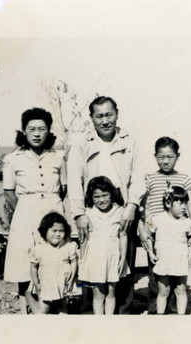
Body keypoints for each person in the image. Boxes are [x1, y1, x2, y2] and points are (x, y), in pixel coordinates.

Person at [67, 96, 145, 313]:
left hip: (122, 206)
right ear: (91, 118)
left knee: (122, 261)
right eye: (99, 116)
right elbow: (74, 179)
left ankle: (121, 314)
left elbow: (138, 177)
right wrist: (78, 213)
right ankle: (89, 313)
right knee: (90, 261)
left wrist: (131, 206)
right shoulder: (82, 143)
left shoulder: (129, 141)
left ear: (117, 114)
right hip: (91, 208)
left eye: (108, 114)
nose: (104, 120)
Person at [2, 108, 67, 314]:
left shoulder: (57, 158)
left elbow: (63, 189)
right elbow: (9, 192)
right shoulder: (13, 159)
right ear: (24, 131)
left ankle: (55, 307)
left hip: (52, 208)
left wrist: (51, 210)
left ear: (48, 131)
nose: (37, 133)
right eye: (32, 129)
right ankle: (32, 310)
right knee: (25, 263)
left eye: (42, 129)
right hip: (25, 214)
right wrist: (24, 210)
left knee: (55, 259)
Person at [138, 136, 191, 313]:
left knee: (178, 276)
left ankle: (174, 313)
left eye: (170, 157)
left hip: (179, 232)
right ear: (155, 156)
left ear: (177, 156)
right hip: (158, 233)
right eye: (161, 157)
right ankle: (156, 312)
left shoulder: (184, 178)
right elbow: (143, 207)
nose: (165, 161)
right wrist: (143, 231)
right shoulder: (149, 178)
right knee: (157, 276)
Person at [142, 185, 191, 314]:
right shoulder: (156, 219)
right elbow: (148, 235)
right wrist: (150, 251)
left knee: (180, 290)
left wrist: (189, 254)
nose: (184, 206)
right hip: (163, 260)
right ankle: (161, 317)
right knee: (163, 291)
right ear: (168, 203)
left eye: (185, 203)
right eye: (180, 203)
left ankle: (181, 317)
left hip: (180, 260)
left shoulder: (187, 222)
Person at [78, 176, 129, 314]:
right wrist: (82, 260)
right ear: (91, 197)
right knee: (98, 294)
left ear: (112, 194)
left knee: (111, 293)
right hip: (95, 258)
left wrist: (123, 259)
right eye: (97, 197)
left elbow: (123, 235)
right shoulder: (88, 213)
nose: (101, 200)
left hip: (113, 257)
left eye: (105, 195)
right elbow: (83, 239)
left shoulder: (119, 211)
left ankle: (109, 322)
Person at [25, 212, 78, 314]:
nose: (58, 234)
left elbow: (74, 262)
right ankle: (29, 297)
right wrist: (36, 283)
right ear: (45, 231)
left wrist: (71, 279)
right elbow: (33, 267)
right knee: (43, 309)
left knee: (63, 309)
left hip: (63, 281)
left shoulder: (68, 247)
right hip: (46, 282)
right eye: (54, 231)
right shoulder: (39, 249)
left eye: (61, 231)